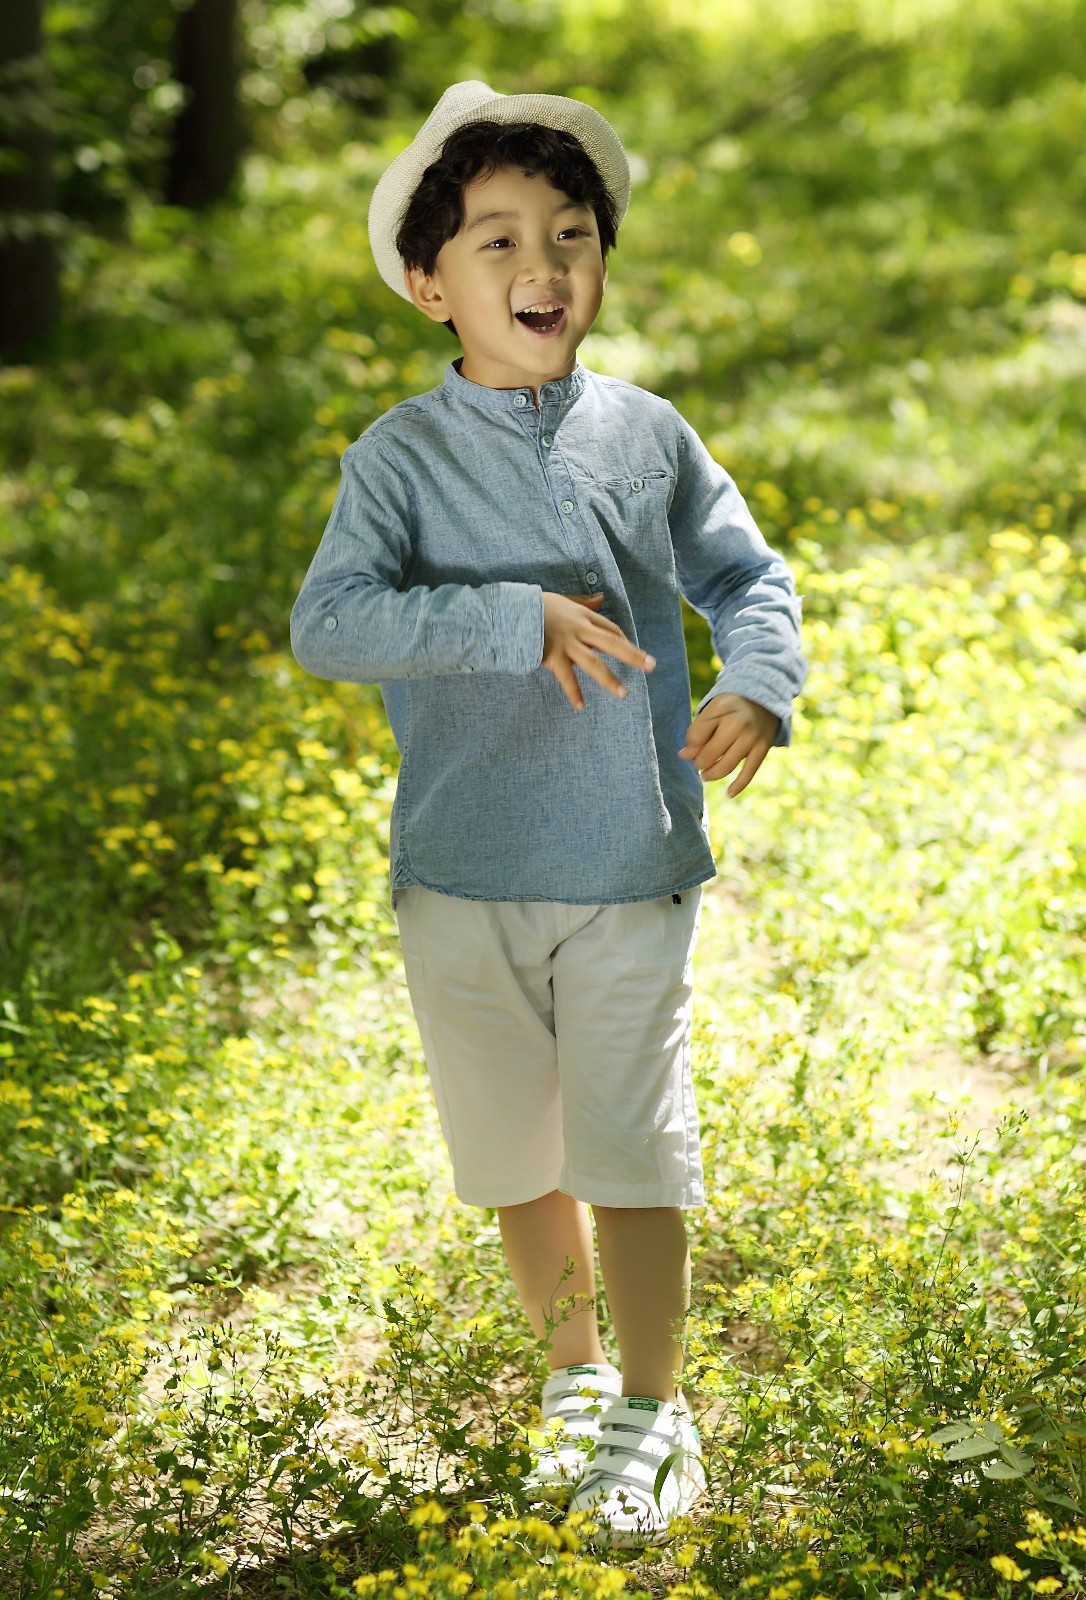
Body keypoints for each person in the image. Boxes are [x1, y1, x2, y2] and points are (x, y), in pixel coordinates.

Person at [290, 79, 808, 1547]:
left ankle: (655, 1400)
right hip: (458, 871)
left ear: (599, 263)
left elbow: (745, 576)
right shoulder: (395, 458)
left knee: (631, 1148)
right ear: (426, 281)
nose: (542, 267)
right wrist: (506, 620)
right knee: (515, 1150)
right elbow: (331, 624)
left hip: (628, 858)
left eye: (571, 236)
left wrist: (758, 680)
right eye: (498, 239)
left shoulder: (644, 433)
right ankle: (571, 1375)